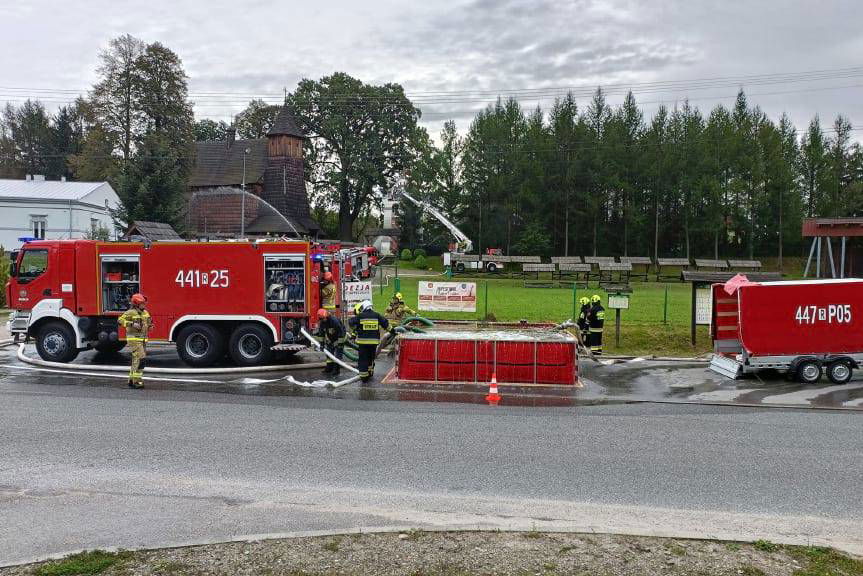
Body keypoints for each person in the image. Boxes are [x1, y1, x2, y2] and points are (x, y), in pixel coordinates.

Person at [348, 299, 389, 382]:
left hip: (363, 343)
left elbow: (351, 322)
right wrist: (393, 332)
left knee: (363, 359)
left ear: (364, 307)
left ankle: (364, 377)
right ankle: (370, 372)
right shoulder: (377, 315)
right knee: (371, 358)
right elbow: (386, 324)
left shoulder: (360, 316)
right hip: (374, 343)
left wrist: (354, 327)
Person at [118, 293, 152, 389]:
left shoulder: (145, 312)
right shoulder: (131, 312)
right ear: (136, 304)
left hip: (143, 340)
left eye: (144, 303)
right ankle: (137, 381)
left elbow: (149, 321)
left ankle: (131, 380)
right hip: (134, 339)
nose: (144, 305)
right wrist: (132, 324)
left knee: (136, 360)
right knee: (141, 359)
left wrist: (150, 326)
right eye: (142, 303)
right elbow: (120, 320)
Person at [314, 308, 346, 377]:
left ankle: (336, 370)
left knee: (338, 354)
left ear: (327, 316)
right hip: (331, 338)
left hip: (340, 337)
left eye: (323, 318)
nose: (322, 320)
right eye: (321, 319)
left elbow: (341, 332)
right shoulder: (323, 322)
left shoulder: (334, 321)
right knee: (329, 353)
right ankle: (329, 368)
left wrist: (340, 344)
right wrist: (321, 344)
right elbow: (321, 334)